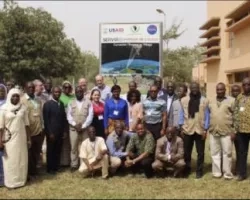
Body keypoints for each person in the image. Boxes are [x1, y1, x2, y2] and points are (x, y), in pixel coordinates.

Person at [0, 88, 30, 189]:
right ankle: (11, 183)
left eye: (17, 95)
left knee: (21, 159)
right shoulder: (3, 109)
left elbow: (27, 125)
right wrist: (0, 141)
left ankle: (21, 181)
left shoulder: (23, 108)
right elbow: (1, 127)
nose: (16, 97)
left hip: (21, 139)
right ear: (9, 97)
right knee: (10, 161)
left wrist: (29, 139)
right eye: (13, 95)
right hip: (9, 140)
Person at [179, 82, 209, 179]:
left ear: (199, 88)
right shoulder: (184, 100)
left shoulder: (204, 100)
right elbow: (181, 115)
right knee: (187, 152)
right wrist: (181, 128)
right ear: (190, 89)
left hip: (200, 130)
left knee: (200, 153)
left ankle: (199, 171)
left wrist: (205, 130)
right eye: (193, 88)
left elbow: (207, 116)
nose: (194, 89)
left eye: (196, 87)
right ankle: (187, 170)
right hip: (188, 129)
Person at [208, 83, 235, 180]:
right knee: (215, 153)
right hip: (213, 130)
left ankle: (227, 174)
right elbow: (208, 114)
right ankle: (216, 173)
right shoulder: (210, 100)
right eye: (218, 90)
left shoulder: (231, 101)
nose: (219, 91)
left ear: (225, 90)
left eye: (221, 90)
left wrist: (233, 131)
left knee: (227, 153)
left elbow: (235, 116)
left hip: (227, 131)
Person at [67, 86, 93, 172]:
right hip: (73, 129)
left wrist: (84, 126)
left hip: (85, 129)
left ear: (83, 92)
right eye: (77, 92)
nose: (79, 93)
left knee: (84, 147)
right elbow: (69, 116)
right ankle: (74, 164)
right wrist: (75, 125)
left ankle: (84, 164)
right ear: (75, 93)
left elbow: (90, 116)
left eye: (80, 92)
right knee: (73, 147)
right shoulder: (71, 102)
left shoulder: (88, 102)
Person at [21, 82, 43, 180]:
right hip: (28, 132)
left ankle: (34, 171)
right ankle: (29, 173)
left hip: (38, 130)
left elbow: (40, 115)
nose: (31, 89)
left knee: (36, 152)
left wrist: (42, 127)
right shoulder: (22, 100)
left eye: (33, 87)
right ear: (25, 88)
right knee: (28, 154)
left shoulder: (38, 100)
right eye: (29, 87)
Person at [43, 86, 67, 174]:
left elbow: (63, 118)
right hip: (51, 133)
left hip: (60, 132)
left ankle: (56, 166)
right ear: (52, 93)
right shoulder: (47, 104)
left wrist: (64, 131)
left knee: (58, 150)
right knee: (50, 150)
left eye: (59, 92)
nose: (57, 94)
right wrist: (49, 133)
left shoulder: (61, 104)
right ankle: (50, 168)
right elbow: (46, 120)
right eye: (56, 92)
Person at [233, 77, 250, 181]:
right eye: (244, 85)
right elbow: (235, 113)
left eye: (248, 84)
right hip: (241, 131)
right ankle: (242, 174)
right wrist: (235, 129)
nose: (246, 86)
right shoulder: (239, 97)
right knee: (242, 153)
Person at [59, 81, 75, 167]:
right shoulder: (60, 97)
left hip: (73, 121)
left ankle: (73, 161)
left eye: (69, 87)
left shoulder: (74, 97)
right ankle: (65, 162)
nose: (67, 89)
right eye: (65, 87)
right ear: (62, 88)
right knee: (65, 143)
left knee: (72, 143)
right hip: (64, 121)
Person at [230, 84, 241, 176]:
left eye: (237, 91)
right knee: (228, 152)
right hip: (228, 131)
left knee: (239, 151)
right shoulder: (228, 101)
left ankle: (238, 169)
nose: (235, 92)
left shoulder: (242, 101)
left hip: (240, 131)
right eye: (234, 91)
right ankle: (228, 169)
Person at [0, 84, 7, 187]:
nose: (1, 92)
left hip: (4, 132)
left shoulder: (7, 104)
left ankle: (3, 178)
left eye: (2, 91)